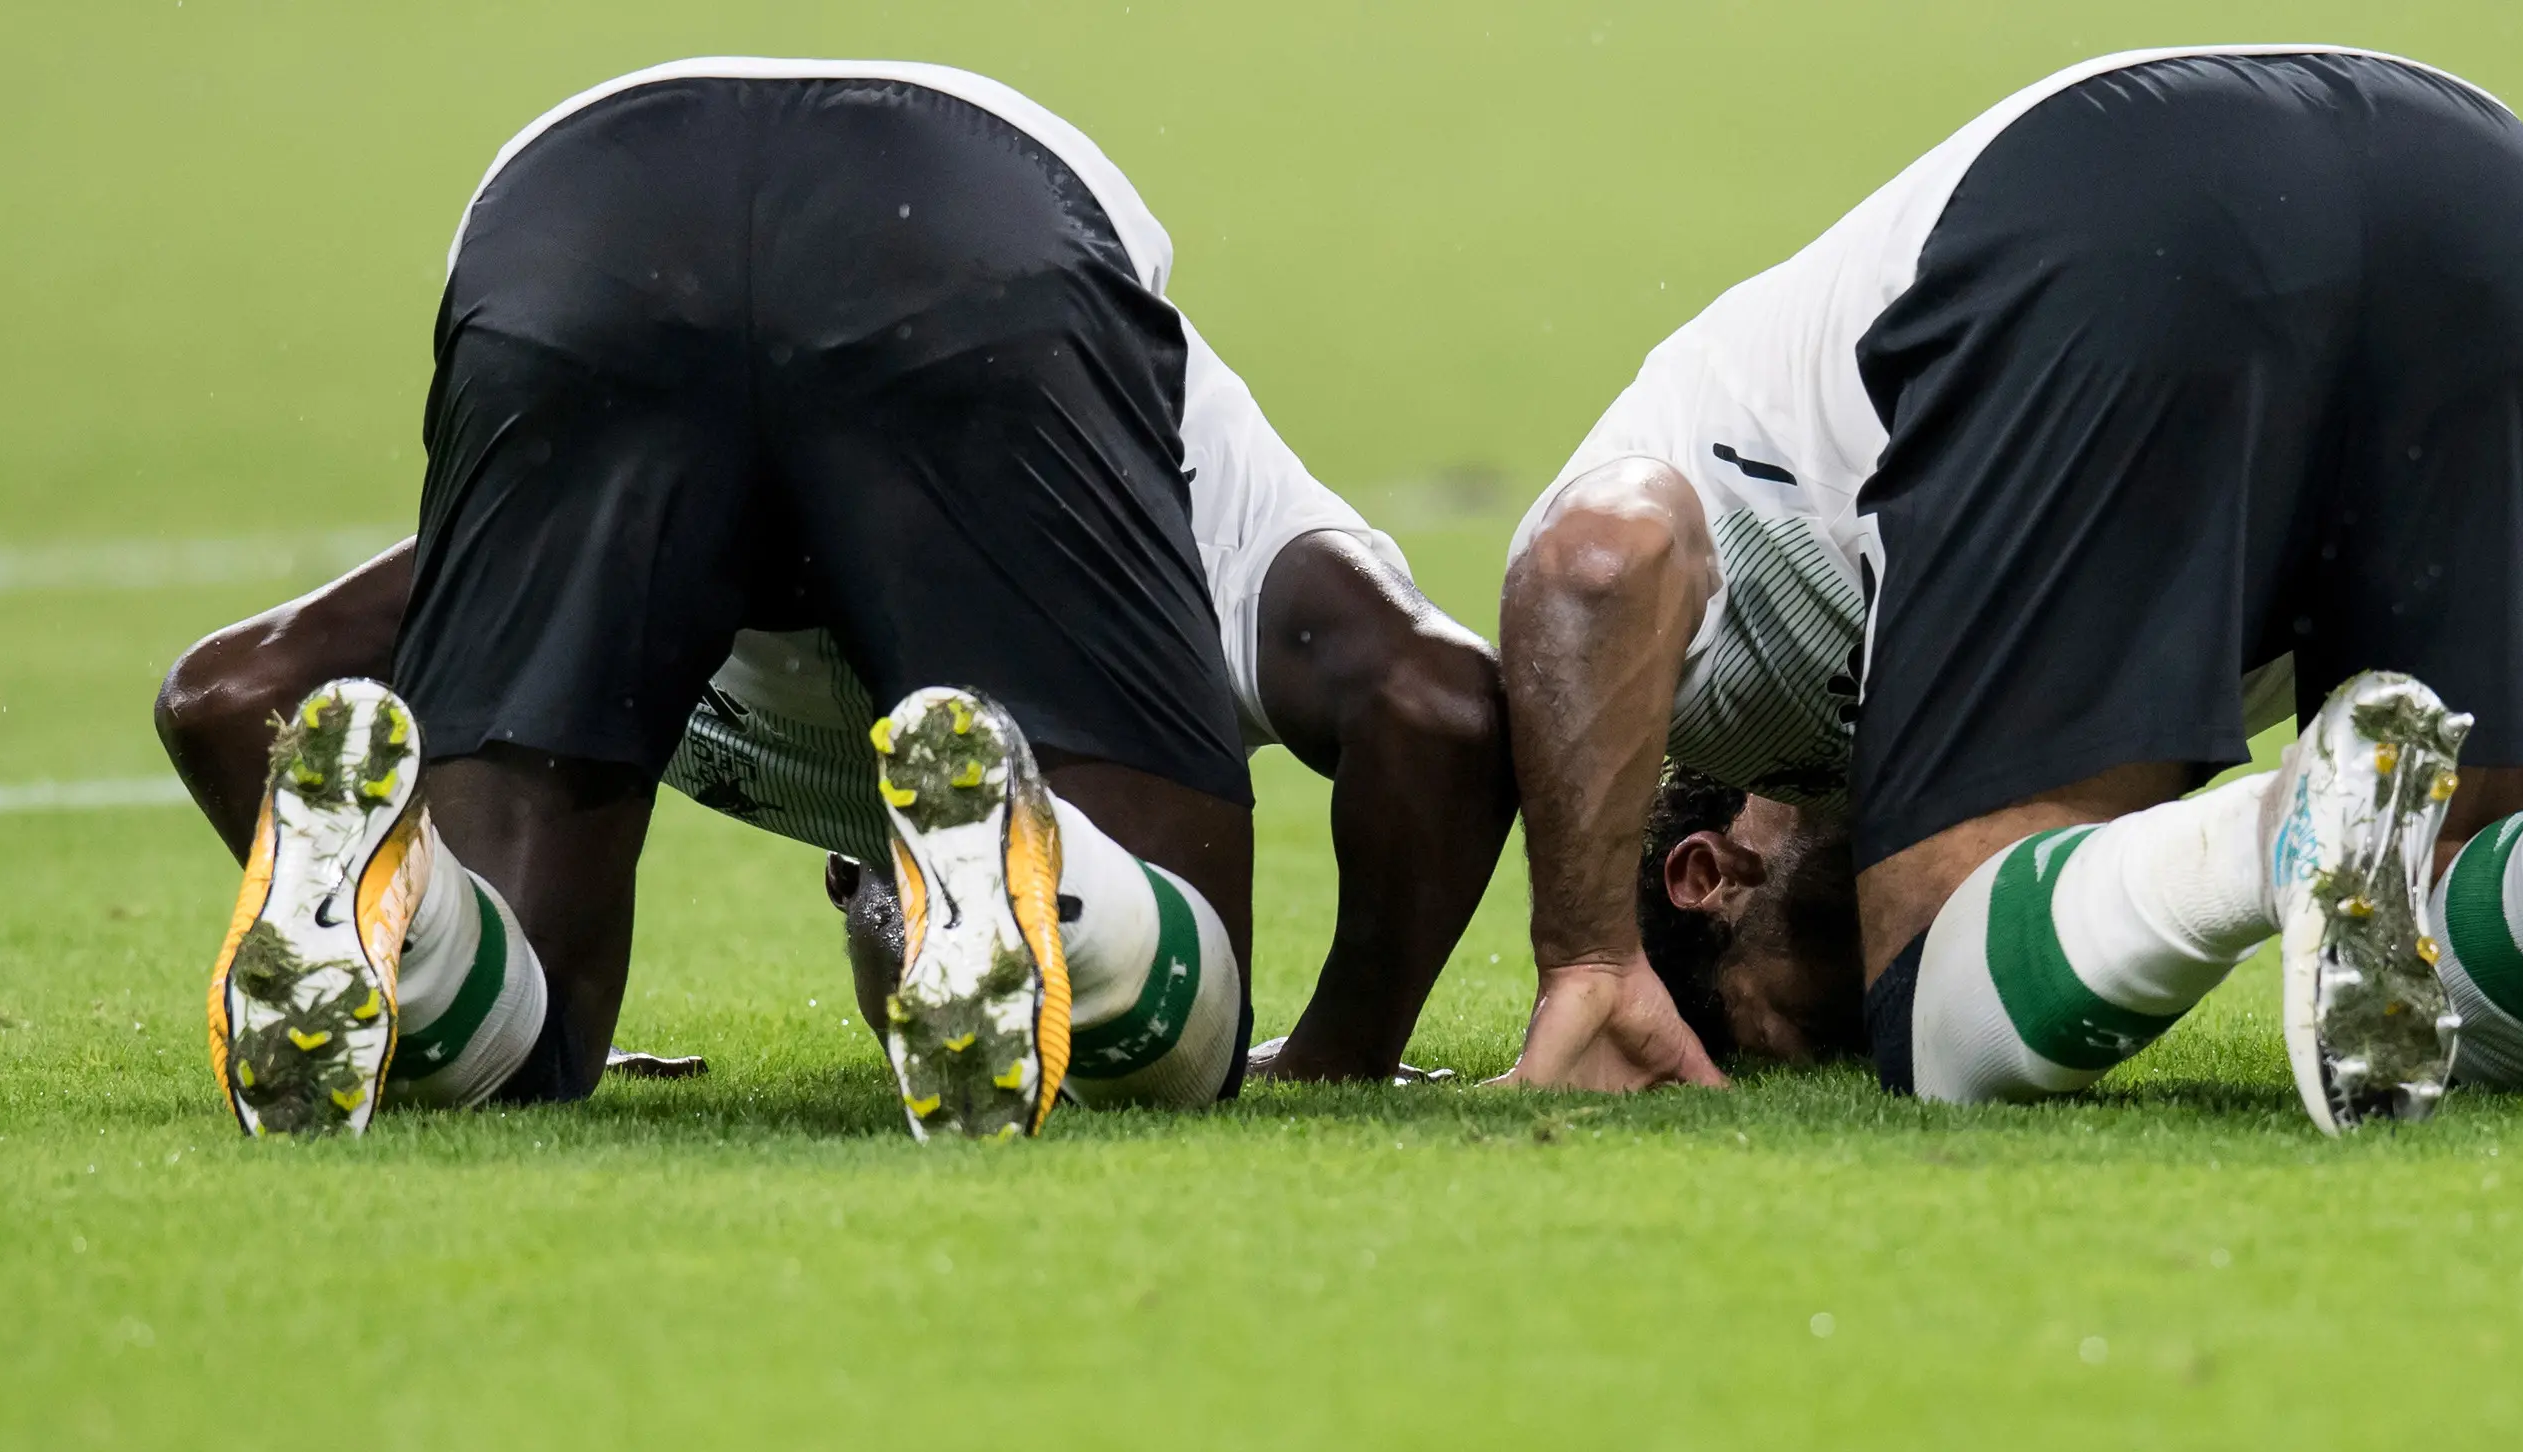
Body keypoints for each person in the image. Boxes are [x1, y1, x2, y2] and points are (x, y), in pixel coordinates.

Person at [1495, 47, 2523, 1127]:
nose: (1798, 1045)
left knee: (1928, 1027)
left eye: (1767, 1023)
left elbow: (1595, 562)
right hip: (2490, 184)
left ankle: (2274, 832)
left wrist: (1589, 957)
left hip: (2109, 211)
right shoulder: (2101, 593)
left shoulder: (1733, 693)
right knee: (2445, 970)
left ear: (1708, 873)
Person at [162, 58, 1511, 1139]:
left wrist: (504, 984)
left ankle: (431, 952)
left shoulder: (656, 610)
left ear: (853, 869)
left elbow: (230, 696)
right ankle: (1064, 877)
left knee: (521, 1057)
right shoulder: (1209, 489)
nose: (922, 969)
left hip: (583, 216)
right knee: (1182, 1051)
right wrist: (1338, 1058)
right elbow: (1439, 705)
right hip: (961, 225)